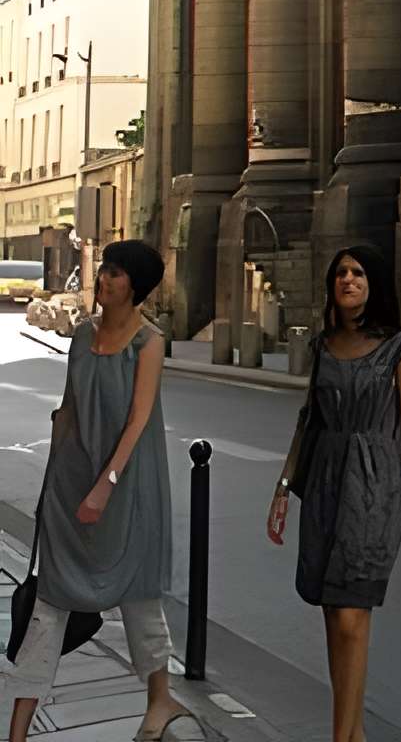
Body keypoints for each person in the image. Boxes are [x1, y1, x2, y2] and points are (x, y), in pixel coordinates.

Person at [5, 237, 193, 742]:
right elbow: (67, 410)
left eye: (115, 272)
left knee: (138, 597)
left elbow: (138, 421)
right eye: (104, 269)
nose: (103, 278)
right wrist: (55, 490)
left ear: (136, 287)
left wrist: (105, 487)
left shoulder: (147, 343)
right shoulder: (82, 337)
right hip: (72, 482)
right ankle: (18, 728)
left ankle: (160, 701)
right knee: (50, 602)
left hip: (128, 487)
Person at [267, 244, 401, 742]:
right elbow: (309, 419)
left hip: (373, 485)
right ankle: (352, 732)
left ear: (373, 284)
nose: (348, 280)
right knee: (332, 610)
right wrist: (283, 485)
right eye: (340, 273)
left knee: (354, 614)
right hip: (323, 483)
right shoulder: (322, 346)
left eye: (358, 272)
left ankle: (341, 738)